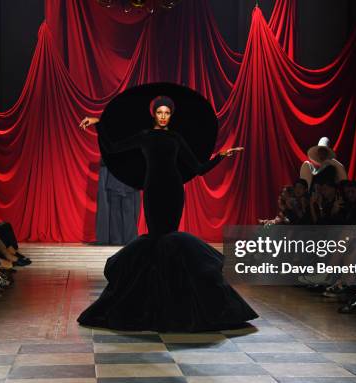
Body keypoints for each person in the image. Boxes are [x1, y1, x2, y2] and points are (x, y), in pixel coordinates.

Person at [77, 92, 257, 331]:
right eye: (160, 112)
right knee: (156, 238)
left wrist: (221, 157)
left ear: (171, 116)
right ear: (154, 114)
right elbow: (112, 148)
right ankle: (152, 297)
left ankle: (174, 295)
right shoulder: (145, 136)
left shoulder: (175, 138)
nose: (163, 116)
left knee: (170, 238)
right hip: (152, 190)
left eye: (167, 113)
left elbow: (199, 168)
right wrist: (99, 123)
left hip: (174, 190)